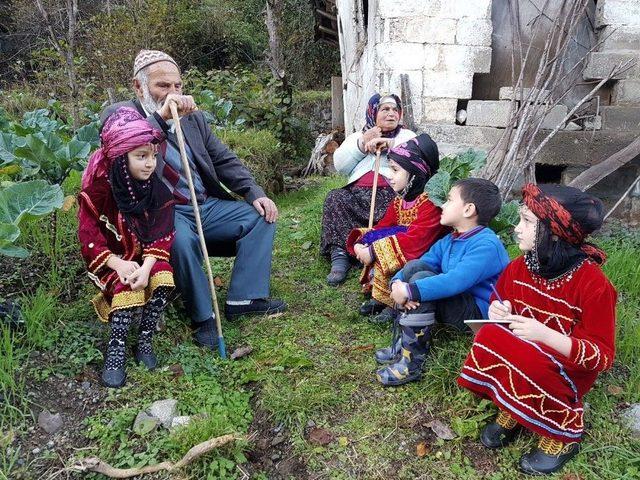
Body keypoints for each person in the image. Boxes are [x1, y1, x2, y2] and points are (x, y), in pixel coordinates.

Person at [101, 50, 286, 350]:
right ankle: (204, 317)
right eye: (163, 86)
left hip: (204, 205)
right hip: (162, 211)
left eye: (177, 86)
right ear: (139, 86)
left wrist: (255, 192)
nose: (173, 93)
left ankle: (244, 297)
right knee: (179, 241)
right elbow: (124, 151)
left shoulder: (194, 118)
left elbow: (222, 159)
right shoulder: (120, 116)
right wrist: (160, 120)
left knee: (259, 217)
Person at [457, 184, 616, 476]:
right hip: (528, 349)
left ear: (555, 232)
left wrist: (545, 335)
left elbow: (602, 357)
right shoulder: (521, 267)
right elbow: (500, 299)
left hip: (567, 366)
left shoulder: (593, 284)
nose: (517, 228)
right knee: (490, 335)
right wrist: (498, 310)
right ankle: (515, 407)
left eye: (528, 221)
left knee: (530, 358)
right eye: (520, 218)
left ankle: (563, 431)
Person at [376, 178, 509, 386]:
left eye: (448, 200)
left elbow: (454, 282)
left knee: (420, 281)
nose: (442, 206)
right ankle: (405, 342)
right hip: (457, 303)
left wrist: (410, 290)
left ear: (468, 210)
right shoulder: (451, 239)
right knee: (414, 268)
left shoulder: (487, 245)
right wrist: (396, 283)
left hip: (475, 316)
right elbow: (423, 262)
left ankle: (412, 363)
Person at [78, 107, 175, 388]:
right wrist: (119, 264)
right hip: (112, 261)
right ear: (121, 158)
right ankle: (116, 350)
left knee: (164, 275)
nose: (149, 164)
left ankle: (144, 338)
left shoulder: (157, 190)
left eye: (153, 156)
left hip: (143, 259)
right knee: (124, 286)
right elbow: (88, 237)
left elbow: (164, 234)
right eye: (141, 156)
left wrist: (146, 267)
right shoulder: (98, 192)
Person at [346, 134, 445, 323]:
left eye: (395, 170)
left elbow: (416, 241)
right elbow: (382, 227)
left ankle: (395, 303)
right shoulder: (400, 201)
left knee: (390, 242)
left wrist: (373, 250)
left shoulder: (430, 204)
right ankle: (382, 296)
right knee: (378, 236)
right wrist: (362, 244)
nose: (389, 177)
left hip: (424, 259)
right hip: (406, 252)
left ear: (415, 173)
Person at [321, 93, 416, 286]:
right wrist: (362, 144)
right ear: (373, 112)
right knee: (335, 198)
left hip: (391, 197)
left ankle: (378, 253)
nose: (391, 114)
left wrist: (389, 144)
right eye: (385, 109)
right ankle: (340, 256)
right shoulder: (358, 136)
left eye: (395, 110)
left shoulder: (407, 136)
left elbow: (416, 155)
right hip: (356, 197)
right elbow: (340, 165)